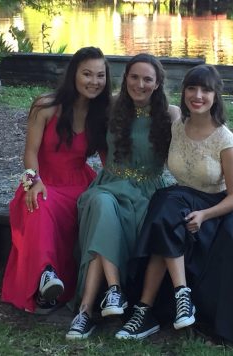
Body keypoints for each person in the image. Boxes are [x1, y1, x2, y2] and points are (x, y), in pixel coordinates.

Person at [116, 64, 233, 345]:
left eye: (205, 90)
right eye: (192, 88)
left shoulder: (224, 139)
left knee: (165, 210)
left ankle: (150, 308)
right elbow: (139, 100)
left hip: (215, 208)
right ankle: (175, 298)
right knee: (166, 209)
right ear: (183, 93)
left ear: (216, 95)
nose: (197, 95)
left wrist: (205, 215)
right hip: (181, 199)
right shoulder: (177, 124)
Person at [65, 53, 181, 339]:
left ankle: (85, 312)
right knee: (101, 205)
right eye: (134, 77)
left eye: (147, 79)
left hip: (148, 192)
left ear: (157, 84)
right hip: (110, 185)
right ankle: (113, 291)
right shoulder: (111, 106)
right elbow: (73, 108)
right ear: (125, 77)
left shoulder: (170, 114)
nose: (139, 84)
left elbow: (198, 141)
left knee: (103, 220)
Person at [1, 47, 112, 314]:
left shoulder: (103, 114)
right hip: (43, 179)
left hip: (80, 183)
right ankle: (46, 275)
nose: (93, 82)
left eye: (100, 75)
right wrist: (33, 180)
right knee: (37, 204)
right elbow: (30, 152)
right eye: (87, 74)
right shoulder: (46, 106)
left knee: (89, 209)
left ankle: (49, 286)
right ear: (73, 74)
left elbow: (109, 160)